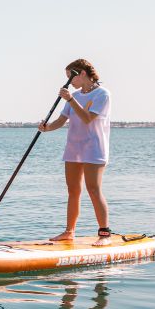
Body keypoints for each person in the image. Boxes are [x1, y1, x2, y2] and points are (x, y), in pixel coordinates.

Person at [38, 59, 112, 246]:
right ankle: (69, 231)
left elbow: (88, 118)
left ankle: (104, 234)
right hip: (74, 148)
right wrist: (46, 128)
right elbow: (62, 120)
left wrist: (70, 98)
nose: (70, 82)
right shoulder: (75, 96)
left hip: (94, 149)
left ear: (82, 74)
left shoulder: (102, 94)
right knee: (73, 191)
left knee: (94, 190)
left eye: (71, 77)